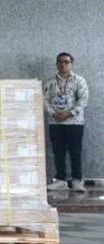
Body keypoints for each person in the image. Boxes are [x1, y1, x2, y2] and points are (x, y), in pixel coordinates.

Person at [44, 52, 89, 193]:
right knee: (58, 152)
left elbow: (83, 101)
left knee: (75, 152)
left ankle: (77, 181)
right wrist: (53, 113)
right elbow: (44, 100)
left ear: (71, 64)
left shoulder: (79, 81)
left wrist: (69, 113)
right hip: (55, 123)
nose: (63, 64)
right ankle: (61, 180)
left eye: (66, 62)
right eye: (60, 62)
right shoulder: (50, 82)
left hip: (74, 123)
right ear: (57, 64)